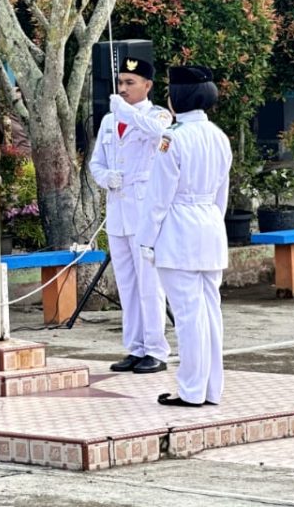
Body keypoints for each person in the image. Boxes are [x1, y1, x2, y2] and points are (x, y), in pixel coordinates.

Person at [138, 65, 232, 408]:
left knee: (189, 315)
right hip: (210, 226)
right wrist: (212, 222)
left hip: (179, 230)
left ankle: (191, 391)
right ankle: (211, 389)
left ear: (177, 97)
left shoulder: (173, 138)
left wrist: (146, 240)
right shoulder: (219, 137)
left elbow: (159, 197)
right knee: (210, 312)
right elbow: (221, 194)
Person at [88, 56, 173, 375]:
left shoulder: (157, 114)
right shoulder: (110, 121)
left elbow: (157, 133)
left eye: (130, 83)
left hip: (145, 211)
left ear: (147, 86)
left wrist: (126, 112)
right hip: (118, 210)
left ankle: (156, 349)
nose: (122, 89)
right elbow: (96, 162)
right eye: (120, 83)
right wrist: (104, 177)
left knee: (149, 283)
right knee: (126, 283)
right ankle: (136, 347)